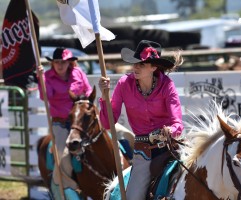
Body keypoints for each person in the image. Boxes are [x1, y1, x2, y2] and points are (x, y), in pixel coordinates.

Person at [98, 40, 184, 199]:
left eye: (142, 64)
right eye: (135, 63)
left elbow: (177, 123)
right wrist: (104, 97)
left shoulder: (167, 85)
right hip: (144, 152)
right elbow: (107, 123)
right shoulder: (124, 84)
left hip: (170, 147)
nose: (136, 67)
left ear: (154, 67)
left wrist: (170, 130)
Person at [37, 47, 92, 196]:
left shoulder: (79, 73)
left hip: (81, 122)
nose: (60, 65)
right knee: (63, 158)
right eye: (56, 62)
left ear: (69, 62)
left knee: (112, 139)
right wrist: (41, 79)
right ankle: (69, 190)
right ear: (52, 63)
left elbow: (87, 91)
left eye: (63, 62)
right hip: (60, 123)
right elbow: (45, 96)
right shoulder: (46, 77)